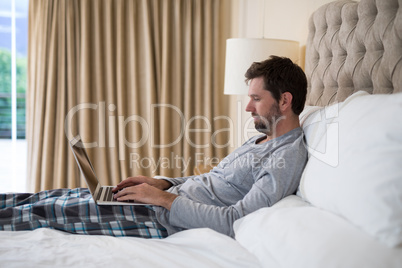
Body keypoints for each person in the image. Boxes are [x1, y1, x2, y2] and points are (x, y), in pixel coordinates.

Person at [0, 56, 308, 239]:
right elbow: (212, 182)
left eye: (256, 99)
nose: (247, 108)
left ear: (284, 100)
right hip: (161, 200)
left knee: (45, 212)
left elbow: (236, 221)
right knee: (49, 196)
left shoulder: (286, 157)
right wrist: (162, 183)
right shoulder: (261, 138)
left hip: (161, 218)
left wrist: (161, 199)